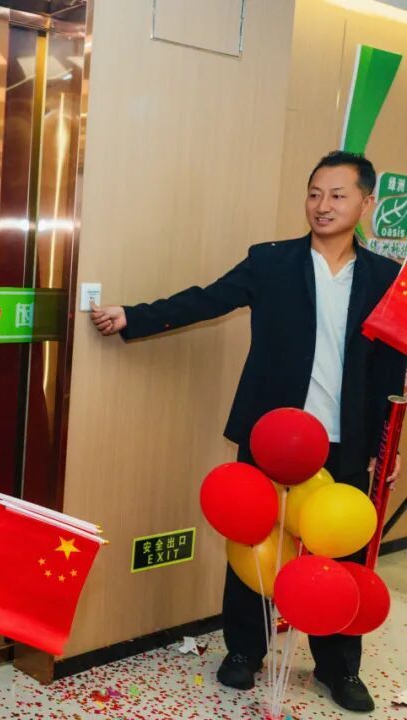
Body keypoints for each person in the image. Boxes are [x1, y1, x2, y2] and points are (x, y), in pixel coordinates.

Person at [90, 151, 405, 714]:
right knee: (253, 540)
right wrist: (133, 315)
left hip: (345, 439)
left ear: (366, 203)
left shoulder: (388, 277)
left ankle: (339, 667)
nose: (322, 205)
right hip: (273, 435)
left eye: (337, 195)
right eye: (314, 193)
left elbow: (390, 369)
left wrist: (388, 444)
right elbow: (208, 299)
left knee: (342, 553)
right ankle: (243, 651)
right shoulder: (272, 260)